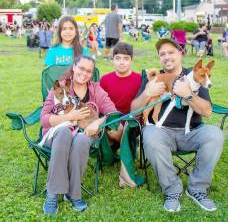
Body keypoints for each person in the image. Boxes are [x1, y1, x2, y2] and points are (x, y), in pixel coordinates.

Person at [131, 38, 224, 212]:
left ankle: (197, 189)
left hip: (191, 133)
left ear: (181, 53)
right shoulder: (155, 77)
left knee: (215, 134)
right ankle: (172, 190)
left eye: (171, 52)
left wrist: (188, 95)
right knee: (150, 134)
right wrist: (147, 93)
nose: (167, 57)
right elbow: (134, 110)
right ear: (159, 58)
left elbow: (207, 111)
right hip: (161, 133)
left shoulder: (196, 75)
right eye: (162, 54)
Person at [41, 55, 121, 215]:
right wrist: (69, 117)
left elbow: (113, 113)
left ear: (92, 74)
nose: (84, 73)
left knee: (82, 139)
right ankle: (53, 193)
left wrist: (97, 122)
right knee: (64, 132)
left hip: (85, 131)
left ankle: (73, 194)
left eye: (89, 71)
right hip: (57, 134)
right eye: (81, 68)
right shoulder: (60, 88)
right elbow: (44, 119)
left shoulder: (96, 90)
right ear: (74, 67)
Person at [100, 42, 142, 187]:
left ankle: (126, 172)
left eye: (125, 58)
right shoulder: (105, 79)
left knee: (125, 129)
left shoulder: (139, 79)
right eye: (118, 58)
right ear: (113, 59)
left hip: (132, 120)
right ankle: (122, 151)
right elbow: (101, 104)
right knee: (112, 128)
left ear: (131, 59)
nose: (122, 62)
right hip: (112, 118)